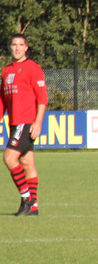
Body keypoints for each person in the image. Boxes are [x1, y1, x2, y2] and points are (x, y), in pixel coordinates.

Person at [2, 34, 47, 217]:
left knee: (9, 158)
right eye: (14, 44)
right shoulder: (6, 71)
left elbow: (42, 98)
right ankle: (33, 207)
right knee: (27, 163)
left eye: (21, 45)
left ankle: (27, 199)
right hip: (14, 123)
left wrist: (38, 122)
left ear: (26, 48)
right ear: (10, 47)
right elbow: (2, 100)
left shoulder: (33, 68)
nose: (17, 48)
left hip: (26, 122)